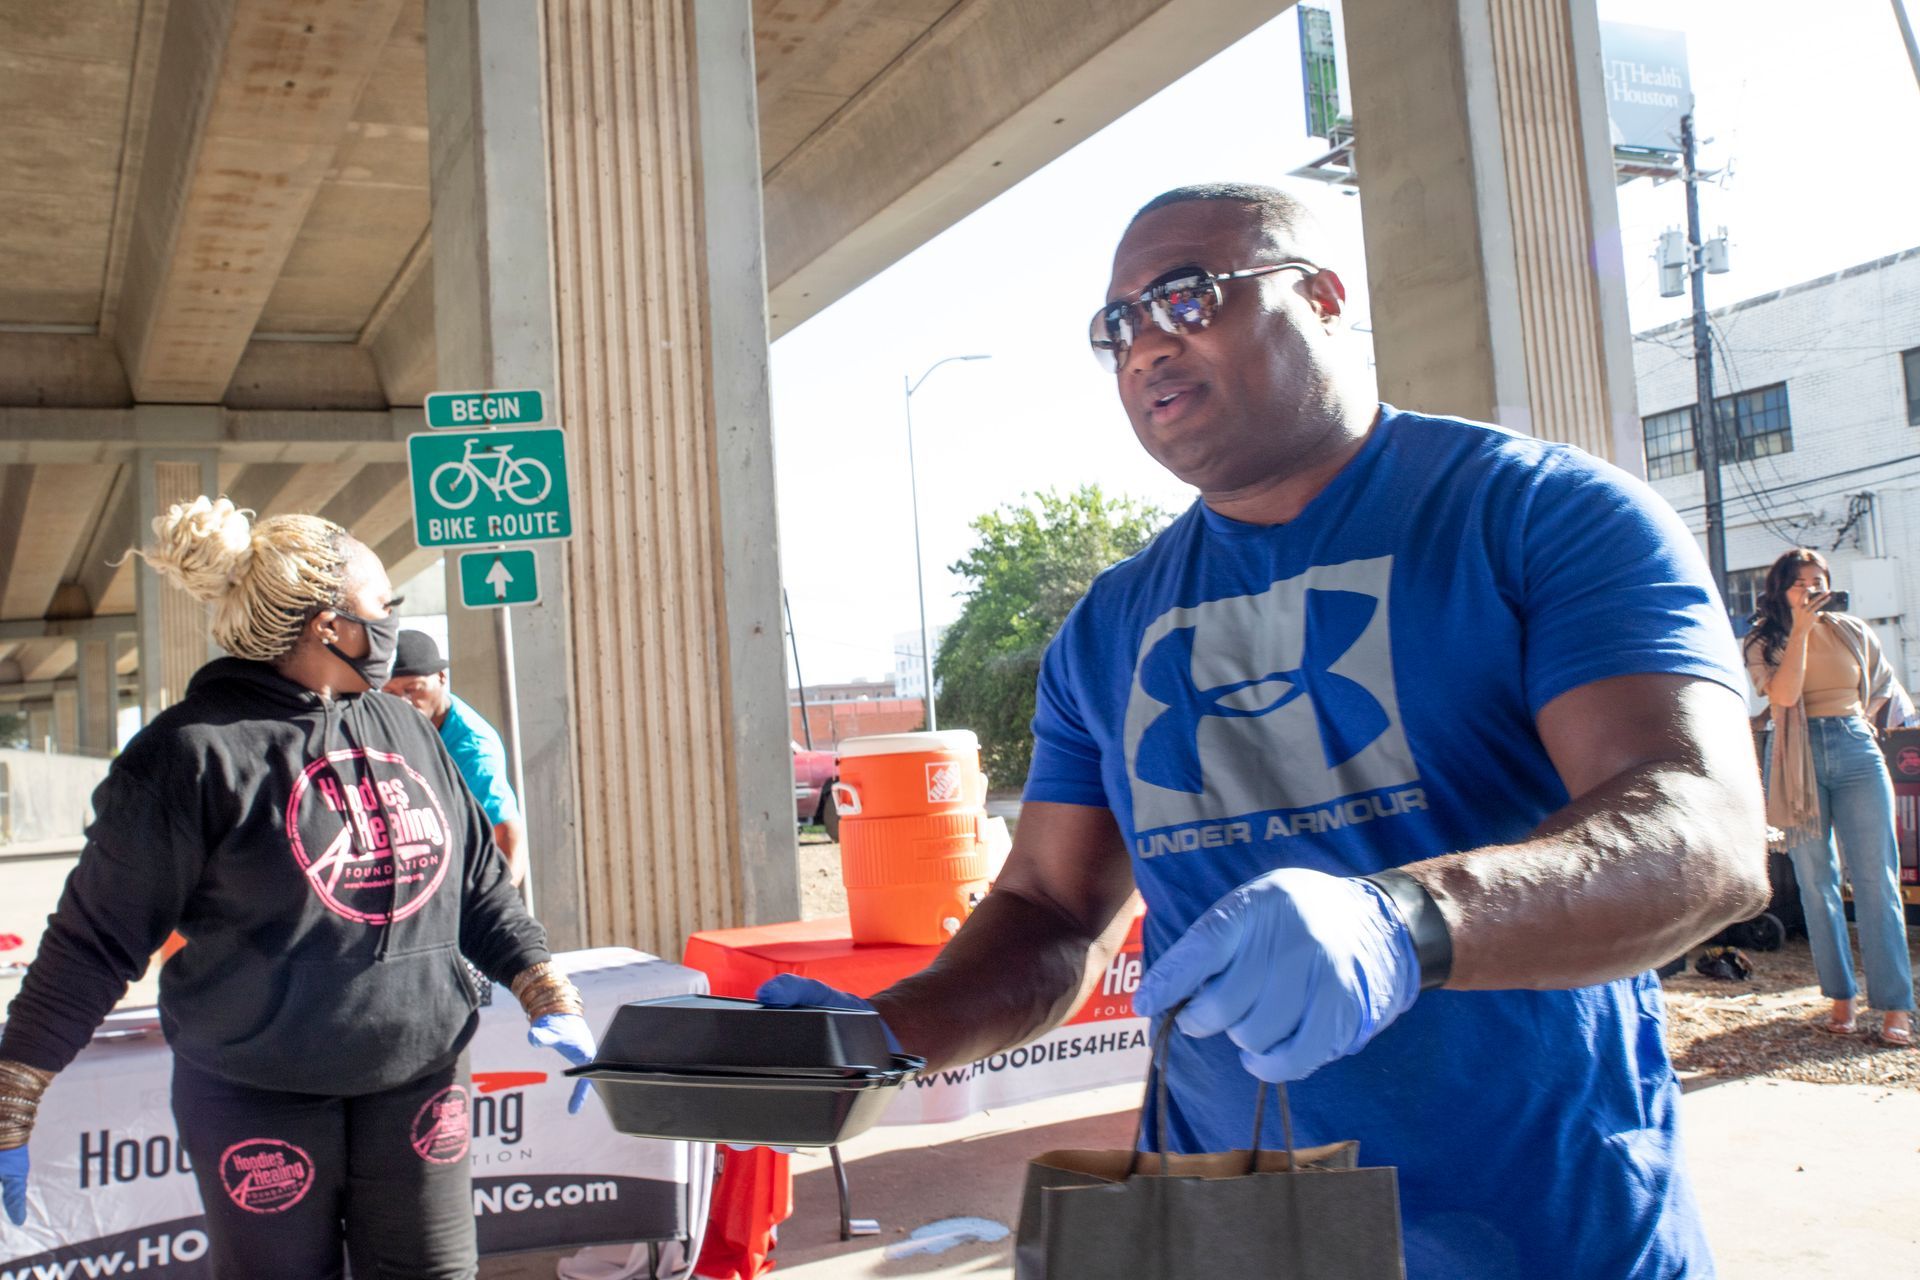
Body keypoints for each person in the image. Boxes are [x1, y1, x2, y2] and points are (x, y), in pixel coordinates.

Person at [761, 184, 1769, 1278]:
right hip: (1219, 1231)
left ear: (1326, 297)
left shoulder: (1539, 515)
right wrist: (879, 1038)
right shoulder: (1111, 624)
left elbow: (1703, 830)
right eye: (1118, 325)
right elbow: (1050, 908)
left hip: (1537, 1227)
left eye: (1187, 297)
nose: (1147, 342)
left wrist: (1404, 923)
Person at [0, 497, 597, 1278]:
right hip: (259, 1094)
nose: (390, 625)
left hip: (419, 1079)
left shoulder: (406, 728)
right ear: (328, 625)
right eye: (382, 607)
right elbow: (95, 940)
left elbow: (478, 882)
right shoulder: (188, 757)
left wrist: (547, 988)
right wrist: (16, 1088)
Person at [1744, 547, 1915, 1046]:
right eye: (1803, 582)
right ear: (1782, 588)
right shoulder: (1764, 639)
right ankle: (1842, 999)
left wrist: (1862, 718)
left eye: (1820, 581)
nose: (1814, 590)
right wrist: (1799, 628)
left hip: (1855, 746)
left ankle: (1895, 1006)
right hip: (1796, 755)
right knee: (1818, 882)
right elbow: (1784, 696)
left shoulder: (1851, 629)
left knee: (1877, 880)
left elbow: (1884, 685)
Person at [384, 631, 529, 888]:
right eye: (390, 692)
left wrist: (496, 912)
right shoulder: (389, 723)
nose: (402, 702)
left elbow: (507, 836)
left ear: (441, 678)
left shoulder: (472, 747)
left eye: (413, 690)